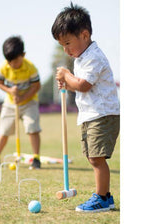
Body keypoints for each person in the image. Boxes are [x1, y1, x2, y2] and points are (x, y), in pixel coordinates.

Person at [51, 3, 120, 212]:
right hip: (91, 114)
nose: (66, 50)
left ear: (85, 34)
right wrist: (67, 82)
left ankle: (102, 198)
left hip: (103, 114)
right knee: (92, 157)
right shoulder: (81, 57)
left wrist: (67, 76)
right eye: (62, 45)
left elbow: (83, 85)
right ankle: (104, 196)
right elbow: (80, 86)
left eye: (68, 43)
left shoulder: (94, 57)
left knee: (97, 158)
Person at [0, 36, 42, 169]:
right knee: (4, 129)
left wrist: (23, 99)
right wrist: (10, 91)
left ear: (23, 55)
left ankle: (36, 157)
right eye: (9, 61)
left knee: (32, 128)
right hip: (10, 103)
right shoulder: (4, 68)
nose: (12, 64)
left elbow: (36, 86)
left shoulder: (30, 68)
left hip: (29, 102)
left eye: (15, 61)